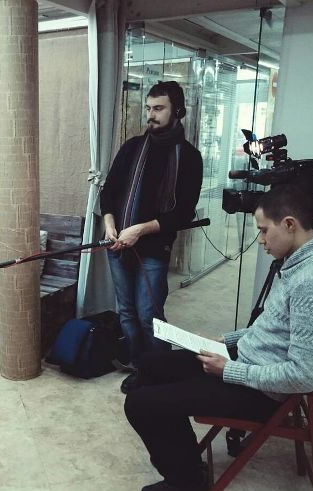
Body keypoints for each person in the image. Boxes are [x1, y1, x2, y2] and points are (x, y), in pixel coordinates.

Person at [123, 184, 313, 491]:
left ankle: (187, 481)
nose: (261, 241)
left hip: (261, 390)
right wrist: (225, 340)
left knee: (140, 404)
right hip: (248, 362)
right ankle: (184, 459)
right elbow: (271, 330)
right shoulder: (300, 261)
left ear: (289, 224)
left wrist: (228, 370)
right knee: (150, 364)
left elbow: (303, 376)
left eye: (264, 231)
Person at [100, 81, 203, 393]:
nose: (150, 115)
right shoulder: (132, 147)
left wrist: (140, 230)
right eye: (148, 108)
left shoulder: (189, 157)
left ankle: (159, 372)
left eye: (158, 108)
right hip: (118, 244)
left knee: (149, 316)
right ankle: (140, 367)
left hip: (154, 249)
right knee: (127, 313)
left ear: (178, 111)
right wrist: (109, 223)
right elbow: (109, 192)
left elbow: (182, 214)